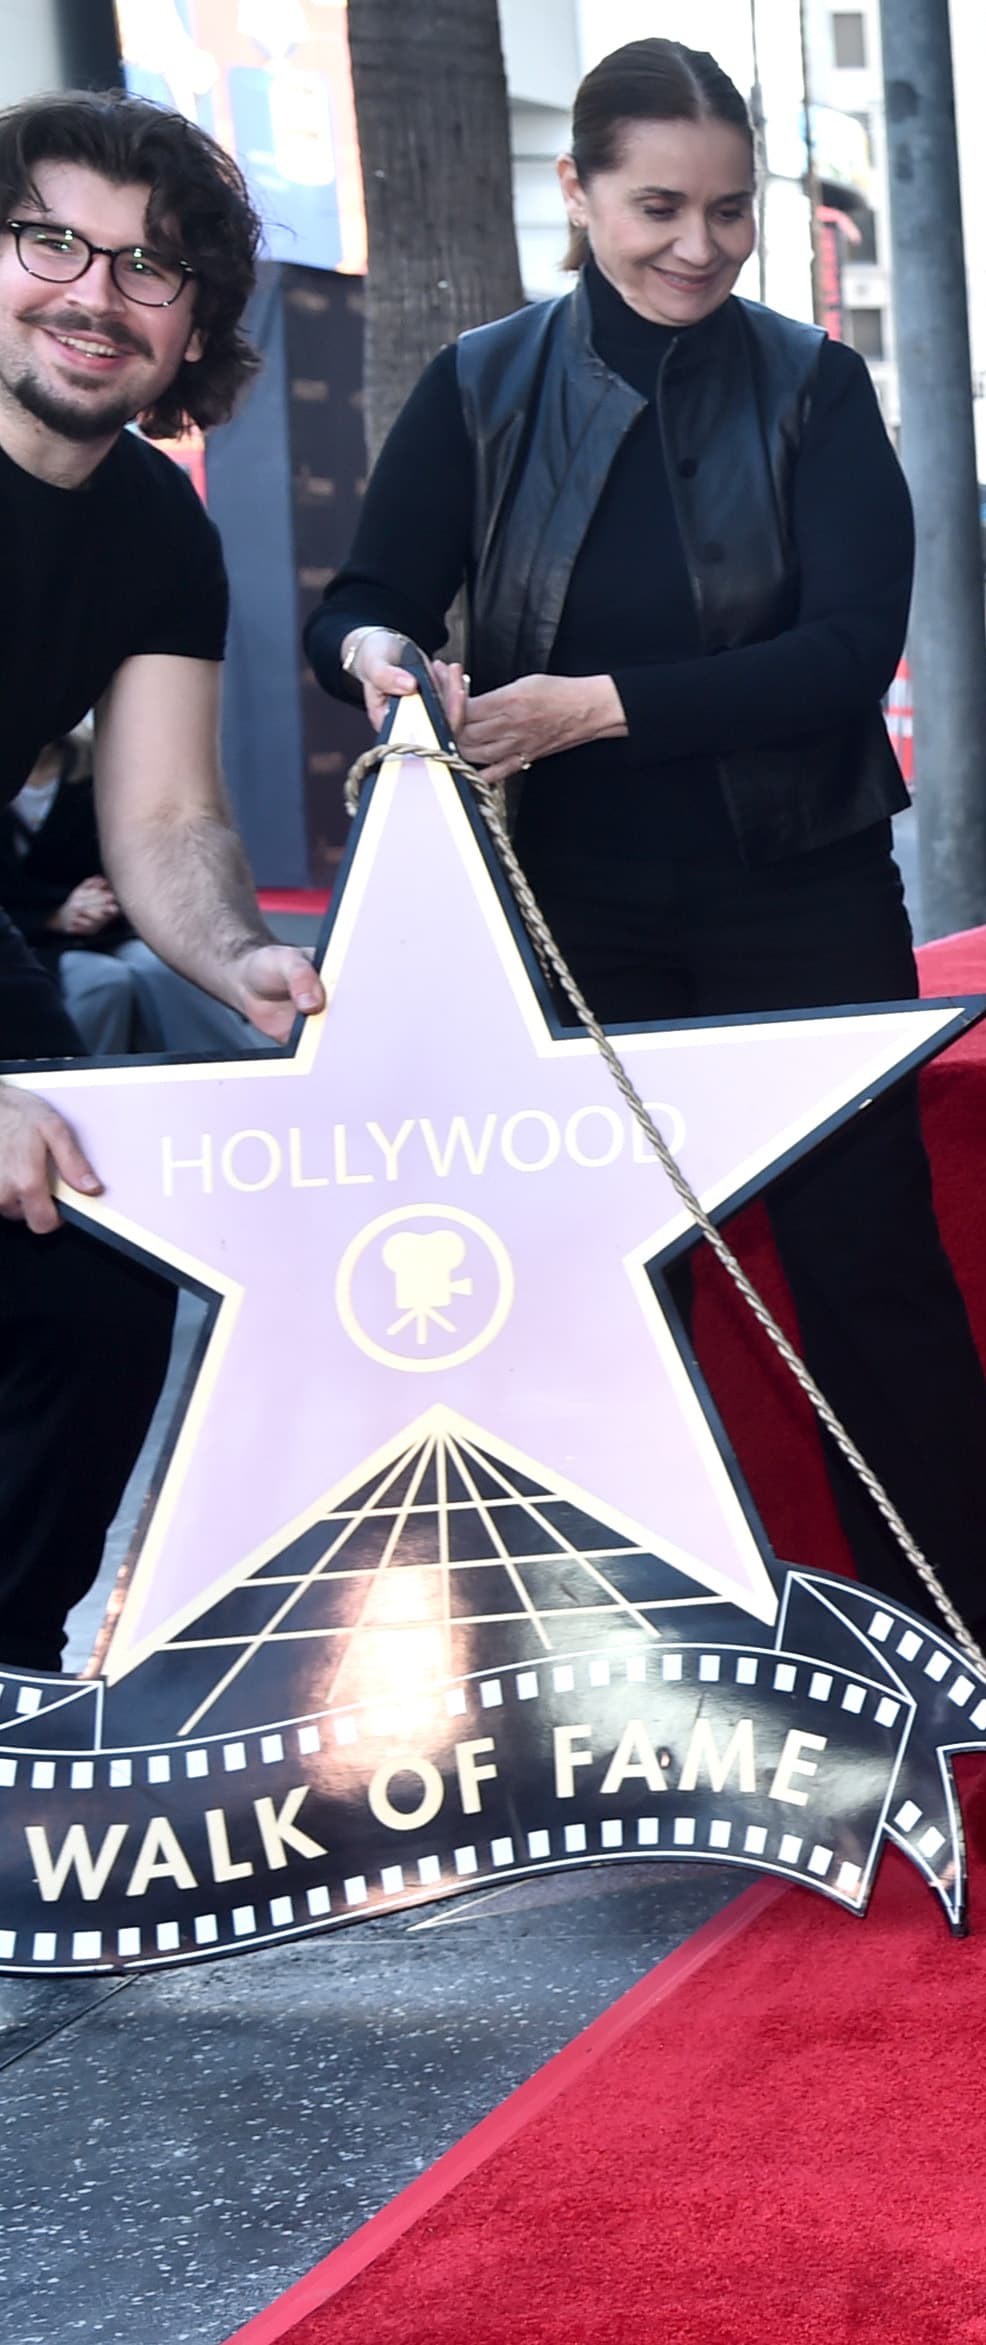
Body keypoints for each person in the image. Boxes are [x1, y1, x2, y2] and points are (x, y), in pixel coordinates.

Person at [303, 39, 986, 1721]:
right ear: (576, 192)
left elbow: (843, 654)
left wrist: (598, 706)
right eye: (658, 205)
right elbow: (362, 595)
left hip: (801, 894)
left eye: (730, 210)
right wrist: (379, 652)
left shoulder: (813, 387)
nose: (699, 244)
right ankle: (612, 1683)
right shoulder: (480, 384)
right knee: (595, 1283)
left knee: (870, 1265)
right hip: (574, 913)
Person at [0, 90, 325, 1674]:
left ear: (195, 322)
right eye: (48, 240)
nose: (94, 293)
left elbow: (168, 809)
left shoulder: (149, 526)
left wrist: (237, 964)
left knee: (94, 1292)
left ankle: (4, 1697)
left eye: (149, 267)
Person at [7, 729, 269, 1055]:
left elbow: (139, 854)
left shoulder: (97, 762)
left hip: (111, 926)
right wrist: (54, 917)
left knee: (167, 969)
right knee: (103, 983)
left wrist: (102, 901)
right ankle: (85, 1088)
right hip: (25, 940)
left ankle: (235, 1070)